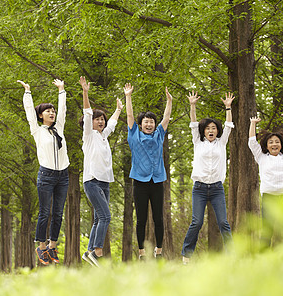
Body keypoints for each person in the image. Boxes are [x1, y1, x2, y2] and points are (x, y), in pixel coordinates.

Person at [18, 79, 70, 266]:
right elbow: (29, 113)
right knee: (45, 212)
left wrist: (61, 90)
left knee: (58, 213)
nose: (52, 112)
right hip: (46, 176)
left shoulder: (60, 128)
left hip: (63, 175)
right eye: (48, 111)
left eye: (53, 110)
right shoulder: (37, 131)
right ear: (41, 115)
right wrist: (27, 92)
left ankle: (52, 245)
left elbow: (63, 110)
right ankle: (41, 246)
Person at [181, 91, 234, 265]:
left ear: (217, 131)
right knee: (196, 222)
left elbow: (228, 124)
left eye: (213, 128)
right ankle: (186, 255)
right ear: (203, 132)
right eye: (208, 128)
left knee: (223, 223)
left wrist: (228, 107)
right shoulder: (198, 141)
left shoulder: (222, 142)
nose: (211, 130)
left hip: (217, 188)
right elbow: (193, 124)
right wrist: (192, 105)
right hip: (200, 188)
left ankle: (232, 255)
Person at [124, 83, 172, 260]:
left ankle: (159, 250)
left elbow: (166, 118)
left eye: (152, 121)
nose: (150, 124)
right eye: (146, 122)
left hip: (157, 181)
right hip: (140, 182)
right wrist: (128, 96)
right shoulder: (134, 134)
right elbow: (129, 115)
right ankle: (142, 252)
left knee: (158, 218)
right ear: (141, 124)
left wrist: (169, 101)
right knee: (141, 219)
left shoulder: (159, 134)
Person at [78, 76, 123, 267]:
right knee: (105, 216)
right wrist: (85, 92)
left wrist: (118, 109)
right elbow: (87, 113)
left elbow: (112, 123)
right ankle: (97, 251)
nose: (101, 122)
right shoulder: (88, 136)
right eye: (98, 120)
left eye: (102, 119)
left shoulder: (104, 136)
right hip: (92, 180)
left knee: (99, 218)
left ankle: (88, 252)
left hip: (105, 181)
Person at [248, 113, 283, 247]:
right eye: (271, 142)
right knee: (267, 231)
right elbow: (252, 142)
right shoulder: (261, 157)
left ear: (281, 145)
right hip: (269, 197)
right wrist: (253, 124)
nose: (274, 144)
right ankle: (263, 261)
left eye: (277, 142)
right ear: (266, 145)